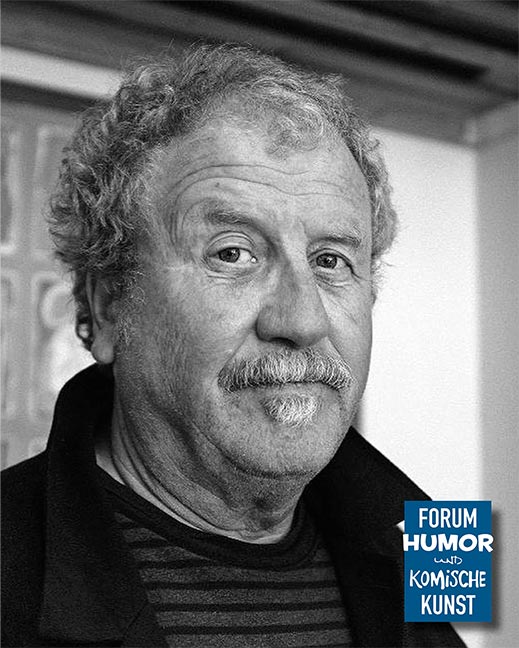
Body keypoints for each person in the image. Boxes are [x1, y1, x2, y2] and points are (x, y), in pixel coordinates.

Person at [2, 44, 465, 647]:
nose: (302, 320)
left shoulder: (425, 552)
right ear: (110, 305)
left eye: (331, 261)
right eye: (233, 253)